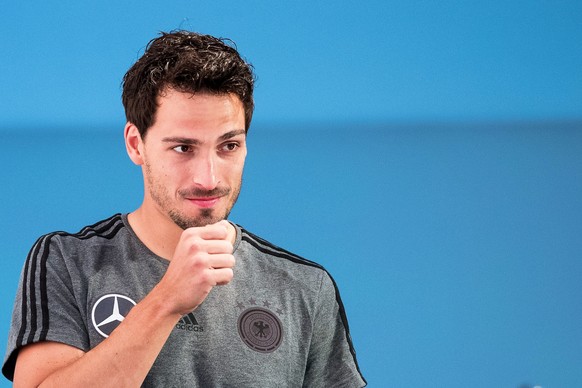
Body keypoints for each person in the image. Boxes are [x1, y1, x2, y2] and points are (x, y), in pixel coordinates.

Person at [2, 31, 366, 387]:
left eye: (229, 146)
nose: (208, 178)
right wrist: (166, 300)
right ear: (136, 144)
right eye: (182, 148)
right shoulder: (66, 261)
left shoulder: (305, 287)